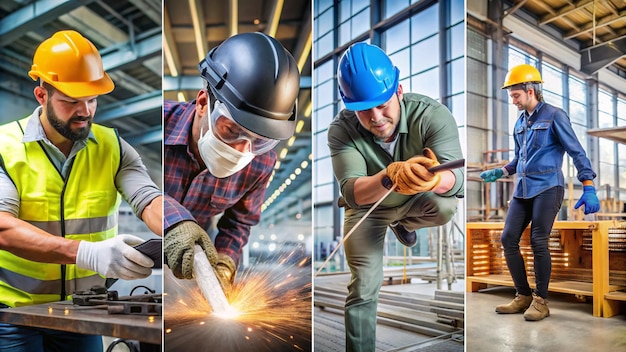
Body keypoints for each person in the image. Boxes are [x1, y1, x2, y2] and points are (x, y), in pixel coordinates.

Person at [0, 30, 163, 351]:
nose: (85, 111)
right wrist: (89, 254)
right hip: (14, 315)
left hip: (82, 310)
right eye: (71, 101)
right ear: (41, 96)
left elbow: (149, 200)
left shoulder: (113, 146)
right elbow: (3, 228)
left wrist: (179, 230)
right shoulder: (5, 147)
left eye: (92, 100)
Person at [327, 42, 464, 352]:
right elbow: (352, 191)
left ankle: (405, 224)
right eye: (363, 109)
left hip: (415, 202)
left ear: (399, 90)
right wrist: (390, 177)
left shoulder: (432, 116)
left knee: (444, 207)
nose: (375, 116)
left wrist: (433, 178)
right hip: (367, 211)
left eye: (382, 104)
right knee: (363, 287)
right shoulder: (341, 130)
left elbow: (456, 181)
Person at [162, 32, 300, 295]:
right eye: (231, 130)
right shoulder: (160, 126)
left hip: (191, 257)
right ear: (204, 103)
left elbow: (239, 223)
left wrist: (225, 263)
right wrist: (170, 222)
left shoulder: (261, 163)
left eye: (260, 140)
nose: (241, 150)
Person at [480, 64, 600, 321]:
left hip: (548, 187)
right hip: (523, 189)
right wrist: (501, 171)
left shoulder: (555, 115)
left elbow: (576, 151)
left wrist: (588, 184)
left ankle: (541, 301)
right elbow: (518, 159)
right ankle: (522, 295)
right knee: (508, 238)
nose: (513, 101)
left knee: (538, 240)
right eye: (511, 96)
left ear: (530, 90)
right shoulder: (520, 123)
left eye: (516, 96)